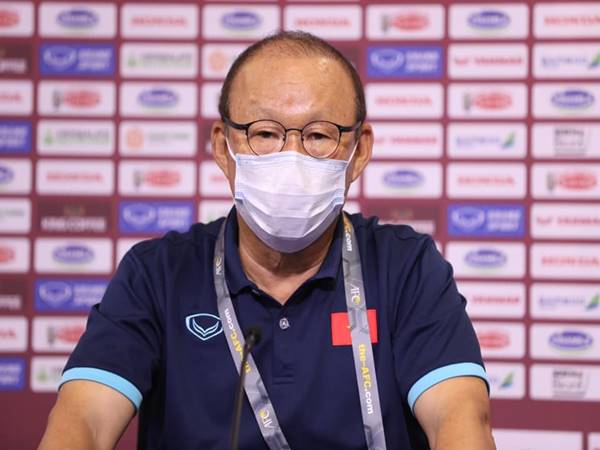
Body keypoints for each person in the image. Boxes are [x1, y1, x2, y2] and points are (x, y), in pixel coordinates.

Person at [39, 31, 495, 450]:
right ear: (223, 147)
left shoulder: (406, 267)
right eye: (264, 133)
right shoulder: (158, 274)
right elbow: (85, 419)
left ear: (359, 152)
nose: (291, 156)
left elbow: (458, 417)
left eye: (319, 135)